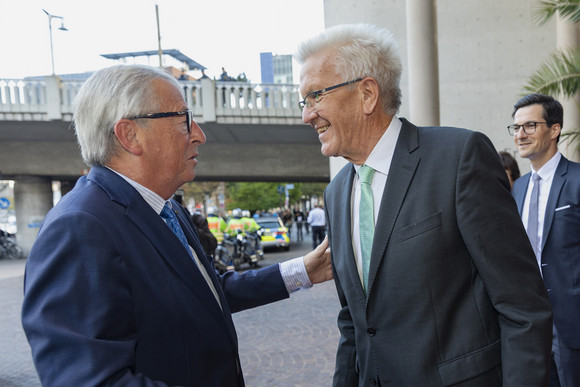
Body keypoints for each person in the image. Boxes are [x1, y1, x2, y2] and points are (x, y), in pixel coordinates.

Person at [21, 64, 332, 387]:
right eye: (184, 119)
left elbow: (205, 289)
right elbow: (89, 381)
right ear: (130, 134)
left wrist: (303, 272)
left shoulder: (165, 206)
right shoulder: (80, 228)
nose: (200, 134)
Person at [296, 24, 553, 386]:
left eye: (315, 96)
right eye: (303, 101)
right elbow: (353, 323)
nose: (307, 115)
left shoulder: (459, 159)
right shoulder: (336, 193)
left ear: (367, 93)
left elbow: (523, 307)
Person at [509, 93, 580, 387]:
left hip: (571, 322)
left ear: (554, 129)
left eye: (530, 126)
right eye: (516, 128)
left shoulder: (576, 180)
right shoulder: (519, 188)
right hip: (529, 324)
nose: (520, 135)